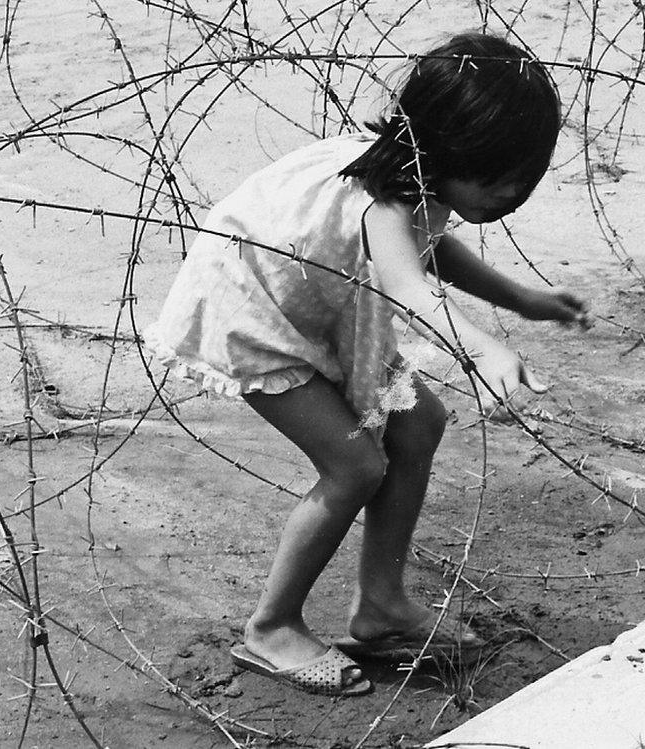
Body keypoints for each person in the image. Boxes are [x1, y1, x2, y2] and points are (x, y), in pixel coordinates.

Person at [145, 32, 587, 697]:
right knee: (355, 464)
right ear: (448, 151)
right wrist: (486, 346)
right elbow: (410, 284)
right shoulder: (385, 197)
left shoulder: (414, 173)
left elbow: (429, 247)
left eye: (524, 178)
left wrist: (520, 298)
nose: (512, 194)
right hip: (257, 315)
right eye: (499, 178)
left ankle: (380, 607)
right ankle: (272, 625)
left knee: (417, 423)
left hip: (320, 309)